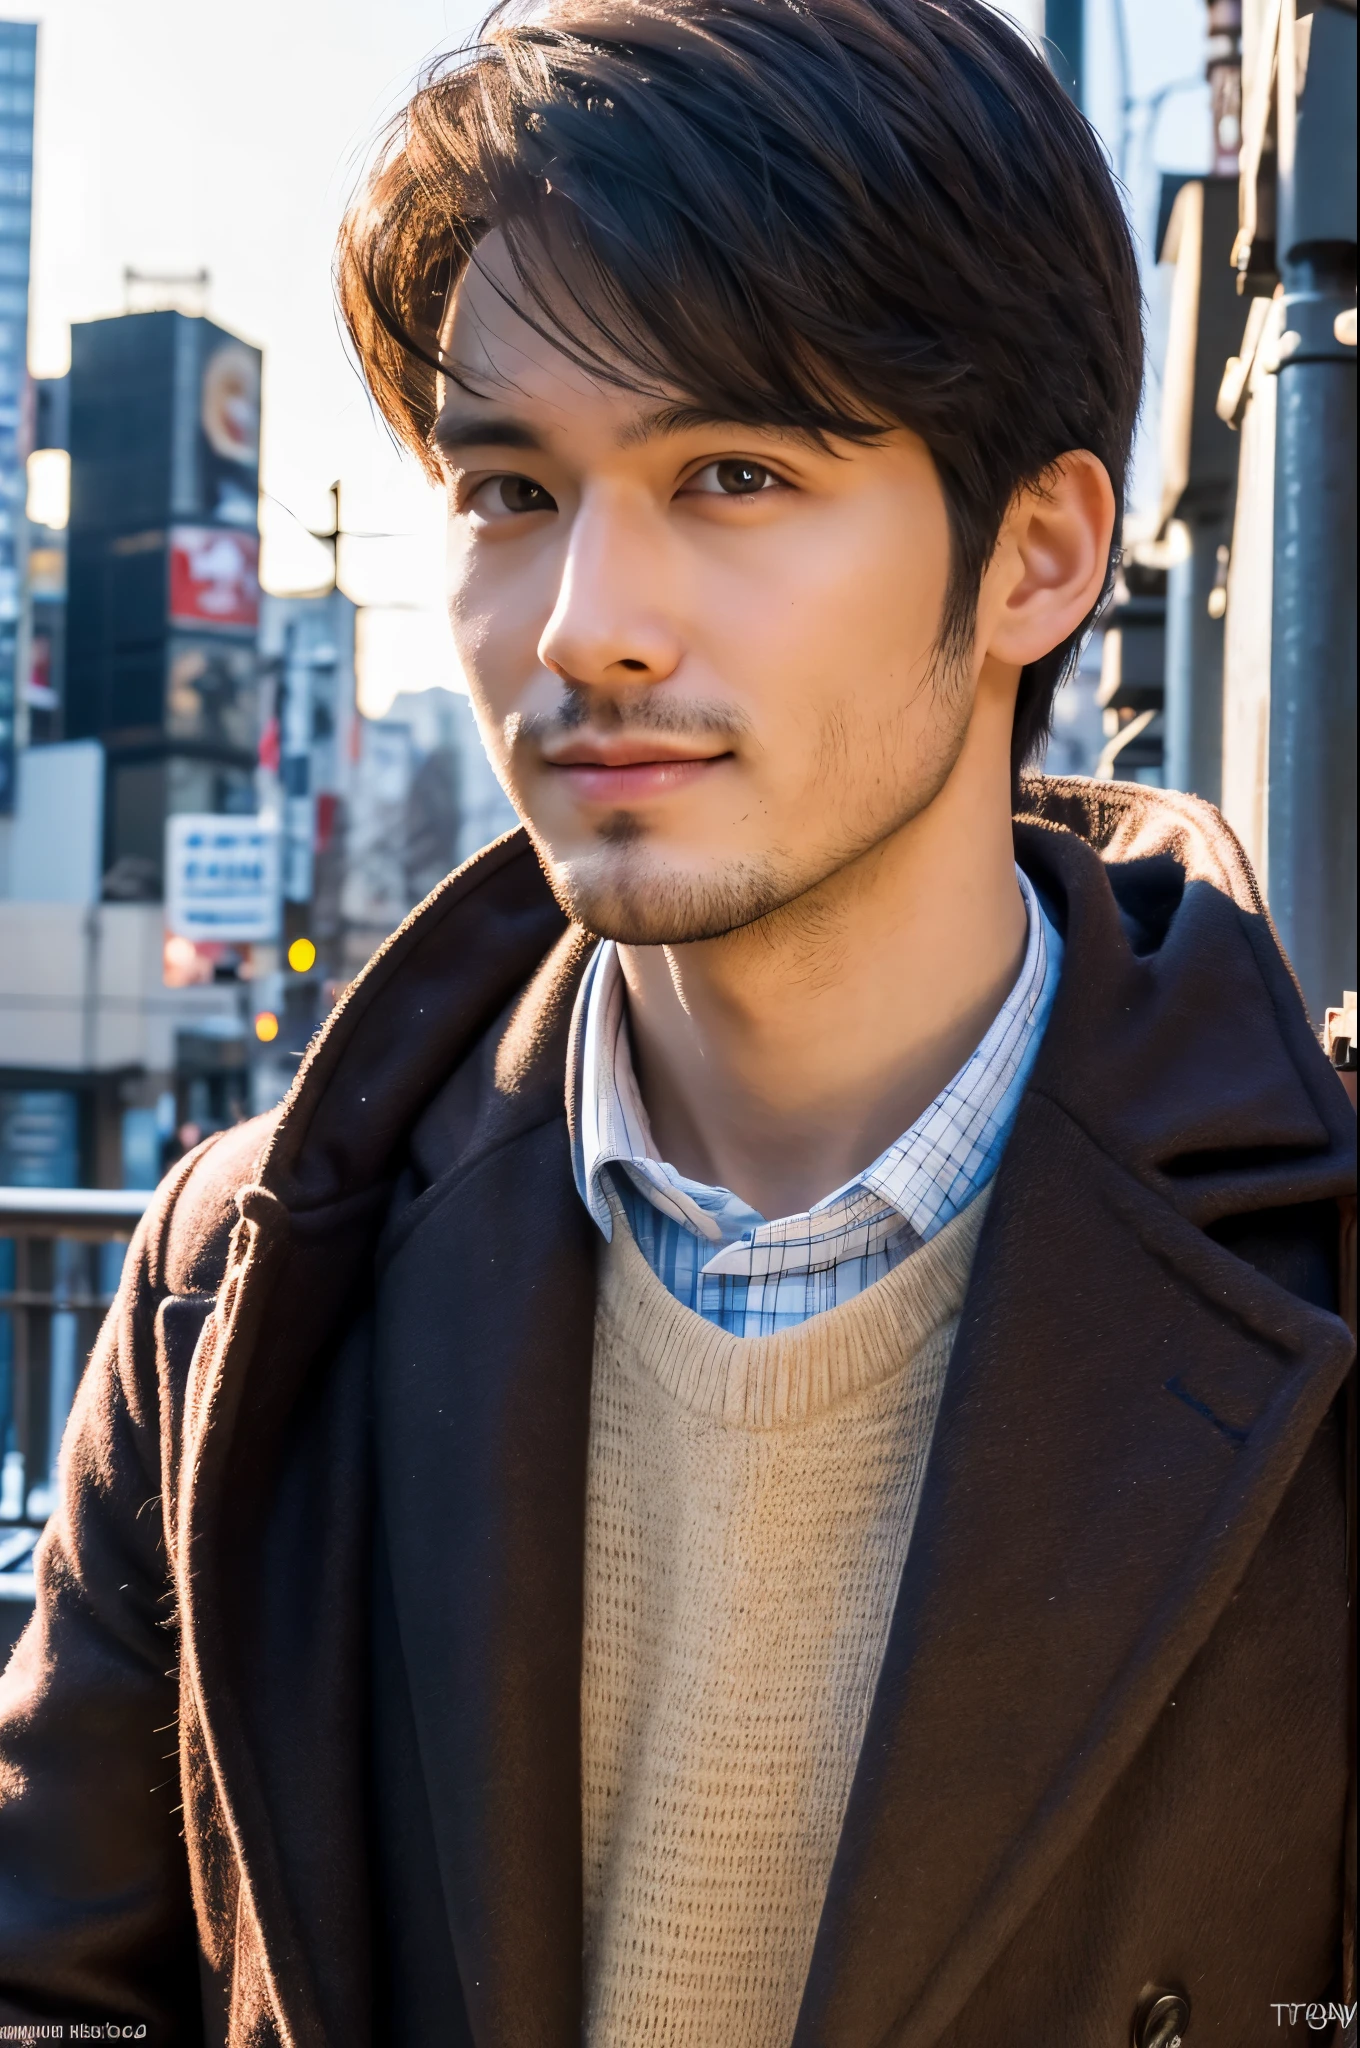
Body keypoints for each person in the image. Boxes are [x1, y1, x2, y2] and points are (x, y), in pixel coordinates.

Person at [1, 1, 1354, 2041]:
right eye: (509, 490)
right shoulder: (246, 1279)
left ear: (1039, 554)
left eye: (732, 471)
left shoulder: (1319, 1265)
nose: (581, 624)